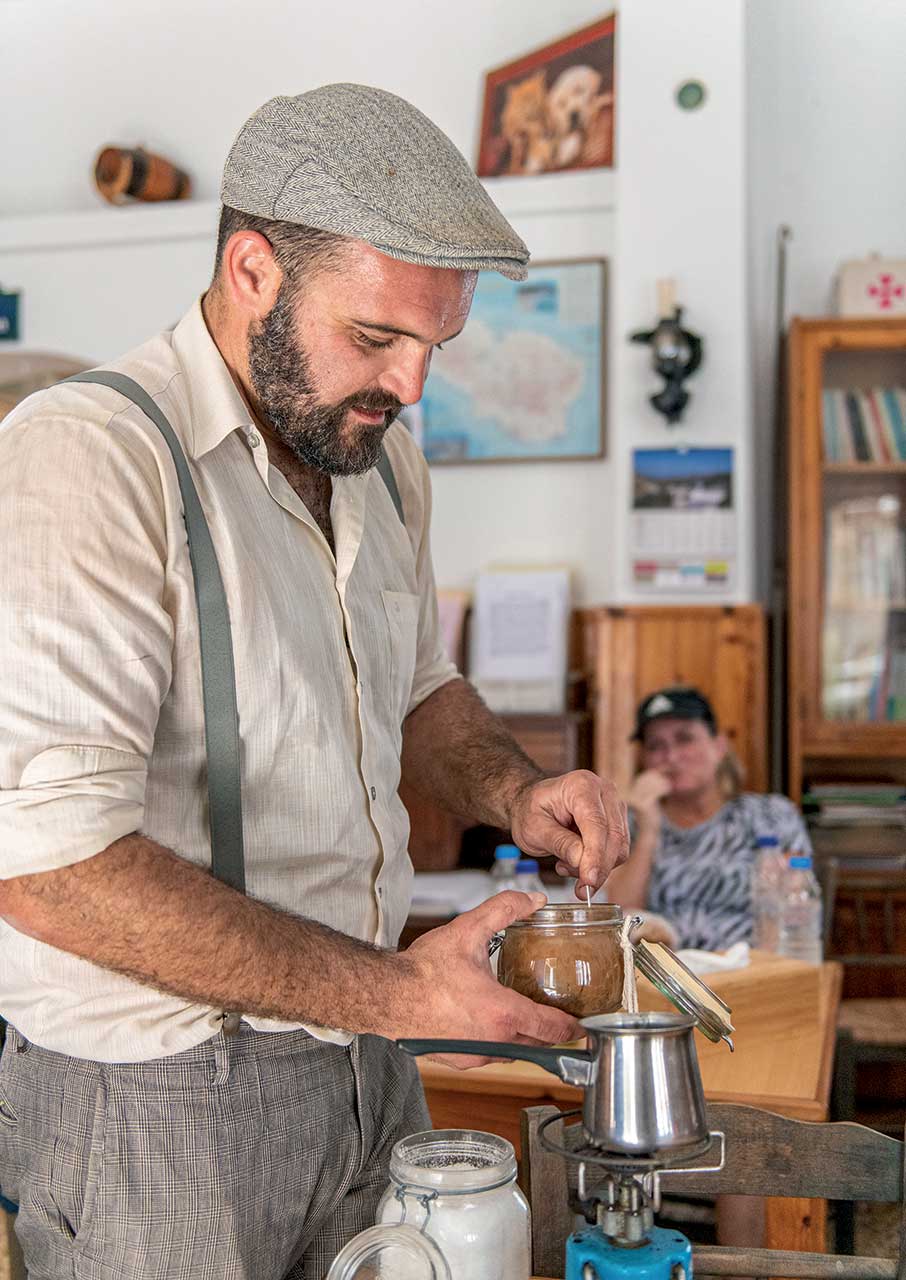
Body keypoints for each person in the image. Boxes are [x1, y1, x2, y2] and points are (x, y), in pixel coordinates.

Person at [0, 84, 629, 1278]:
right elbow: (49, 871)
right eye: (377, 336)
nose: (413, 386)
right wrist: (396, 993)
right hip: (157, 1104)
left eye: (436, 345)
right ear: (251, 270)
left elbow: (417, 691)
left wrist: (515, 788)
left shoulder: (384, 464)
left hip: (368, 1068)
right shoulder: (89, 457)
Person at [605, 686, 811, 950]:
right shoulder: (631, 825)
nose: (672, 756)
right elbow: (619, 917)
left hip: (755, 970)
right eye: (656, 746)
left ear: (719, 746)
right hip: (668, 977)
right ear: (644, 760)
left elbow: (799, 908)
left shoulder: (770, 816)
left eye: (685, 739)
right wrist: (649, 831)